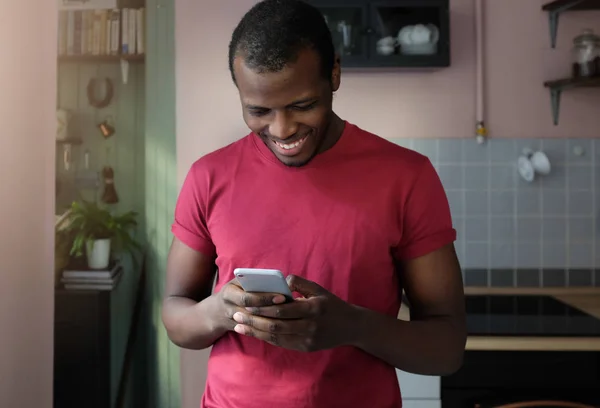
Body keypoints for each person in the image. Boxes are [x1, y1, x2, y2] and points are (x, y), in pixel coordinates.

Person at [162, 0, 466, 407]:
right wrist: (221, 310)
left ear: (334, 73)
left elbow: (446, 348)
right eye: (259, 111)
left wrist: (353, 326)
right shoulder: (208, 177)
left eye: (302, 105)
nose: (282, 129)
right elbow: (176, 316)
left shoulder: (407, 177)